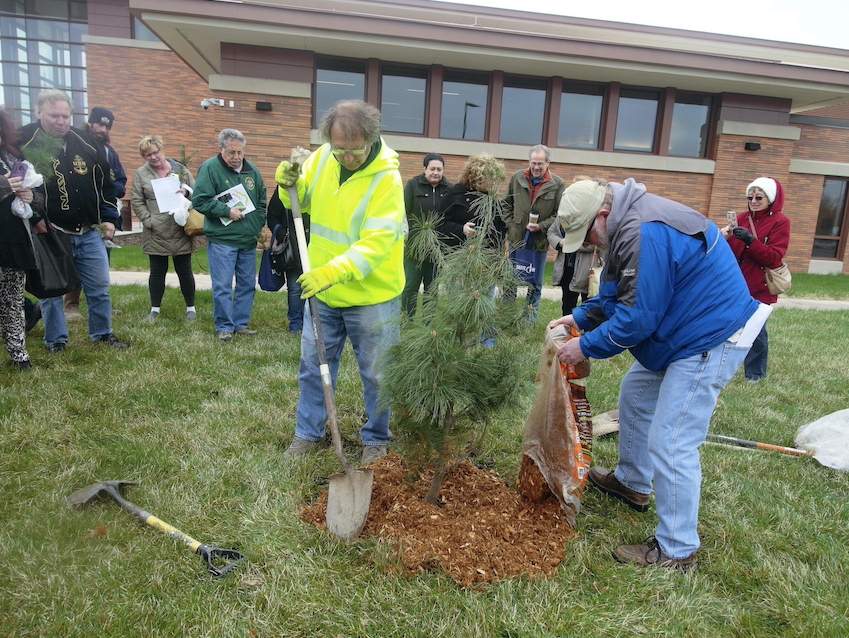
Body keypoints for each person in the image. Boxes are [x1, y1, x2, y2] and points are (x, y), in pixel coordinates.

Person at [551, 178, 770, 571]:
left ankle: (678, 548)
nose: (591, 245)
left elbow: (638, 319)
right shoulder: (626, 224)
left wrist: (583, 346)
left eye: (588, 236)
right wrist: (580, 316)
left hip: (712, 333)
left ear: (602, 215)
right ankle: (633, 483)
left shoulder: (642, 233)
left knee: (672, 440)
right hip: (687, 327)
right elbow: (618, 291)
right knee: (636, 392)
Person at [275, 100, 405, 466]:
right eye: (340, 149)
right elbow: (300, 200)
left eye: (356, 149)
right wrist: (287, 183)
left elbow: (376, 243)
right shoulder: (321, 160)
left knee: (377, 374)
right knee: (314, 365)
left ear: (372, 139)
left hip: (372, 296)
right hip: (325, 293)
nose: (347, 157)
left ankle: (377, 439)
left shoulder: (386, 179)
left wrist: (330, 272)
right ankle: (308, 433)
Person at [19, 89, 127, 352]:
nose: (61, 121)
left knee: (99, 287)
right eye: (54, 115)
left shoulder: (87, 143)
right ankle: (56, 341)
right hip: (50, 231)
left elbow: (107, 185)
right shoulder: (23, 142)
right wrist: (34, 219)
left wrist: (110, 218)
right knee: (53, 291)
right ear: (38, 113)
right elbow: (17, 187)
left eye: (65, 116)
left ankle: (102, 334)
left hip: (89, 231)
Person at [191, 128, 266, 341]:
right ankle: (224, 326)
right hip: (223, 240)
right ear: (221, 149)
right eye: (231, 152)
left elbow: (261, 202)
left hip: (248, 240)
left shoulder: (253, 171)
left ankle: (240, 323)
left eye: (240, 152)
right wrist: (226, 211)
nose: (236, 157)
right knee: (223, 285)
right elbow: (200, 200)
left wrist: (258, 224)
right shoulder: (210, 168)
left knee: (247, 284)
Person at [723, 177, 790, 383]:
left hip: (759, 287)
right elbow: (730, 253)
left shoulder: (781, 222)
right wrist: (724, 237)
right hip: (736, 284)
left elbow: (773, 257)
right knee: (726, 327)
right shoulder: (742, 218)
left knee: (756, 331)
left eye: (759, 197)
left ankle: (755, 375)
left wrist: (750, 241)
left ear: (770, 198)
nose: (753, 200)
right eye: (750, 196)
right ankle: (722, 368)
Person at [64, 107, 128, 318]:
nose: (102, 129)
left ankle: (100, 307)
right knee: (74, 262)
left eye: (107, 126)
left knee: (100, 262)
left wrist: (110, 190)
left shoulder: (110, 152)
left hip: (103, 215)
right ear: (90, 123)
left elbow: (120, 180)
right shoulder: (74, 145)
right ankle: (71, 304)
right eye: (99, 124)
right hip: (78, 214)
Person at [130, 135, 197, 322]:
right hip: (155, 231)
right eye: (147, 154)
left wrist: (186, 192)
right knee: (157, 272)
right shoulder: (141, 174)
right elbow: (136, 200)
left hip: (179, 228)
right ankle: (155, 309)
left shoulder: (180, 170)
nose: (153, 157)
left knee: (185, 270)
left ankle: (191, 308)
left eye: (155, 152)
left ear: (162, 150)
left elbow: (196, 192)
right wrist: (148, 220)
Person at [502, 144, 565, 321]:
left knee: (534, 283)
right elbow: (506, 204)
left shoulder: (557, 184)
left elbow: (560, 214)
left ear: (548, 163)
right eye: (533, 163)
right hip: (516, 239)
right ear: (529, 162)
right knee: (510, 281)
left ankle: (528, 321)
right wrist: (511, 224)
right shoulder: (517, 178)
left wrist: (542, 226)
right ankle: (506, 317)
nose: (536, 167)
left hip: (538, 242)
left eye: (540, 164)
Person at [0, 108, 43, 369]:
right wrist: (5, 184)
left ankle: (19, 356)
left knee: (13, 300)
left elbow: (34, 192)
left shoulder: (10, 156)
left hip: (13, 238)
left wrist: (30, 197)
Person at [401, 153, 450, 317]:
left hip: (437, 250)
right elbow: (403, 213)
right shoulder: (413, 185)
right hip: (414, 248)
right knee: (410, 286)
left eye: (439, 169)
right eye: (432, 169)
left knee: (432, 288)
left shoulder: (449, 189)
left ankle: (428, 325)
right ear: (425, 169)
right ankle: (408, 320)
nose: (435, 172)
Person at [265, 185, 305, 333]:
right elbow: (272, 216)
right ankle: (296, 324)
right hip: (293, 245)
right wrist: (280, 233)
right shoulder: (286, 186)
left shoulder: (320, 183)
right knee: (295, 288)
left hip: (316, 244)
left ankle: (311, 322)